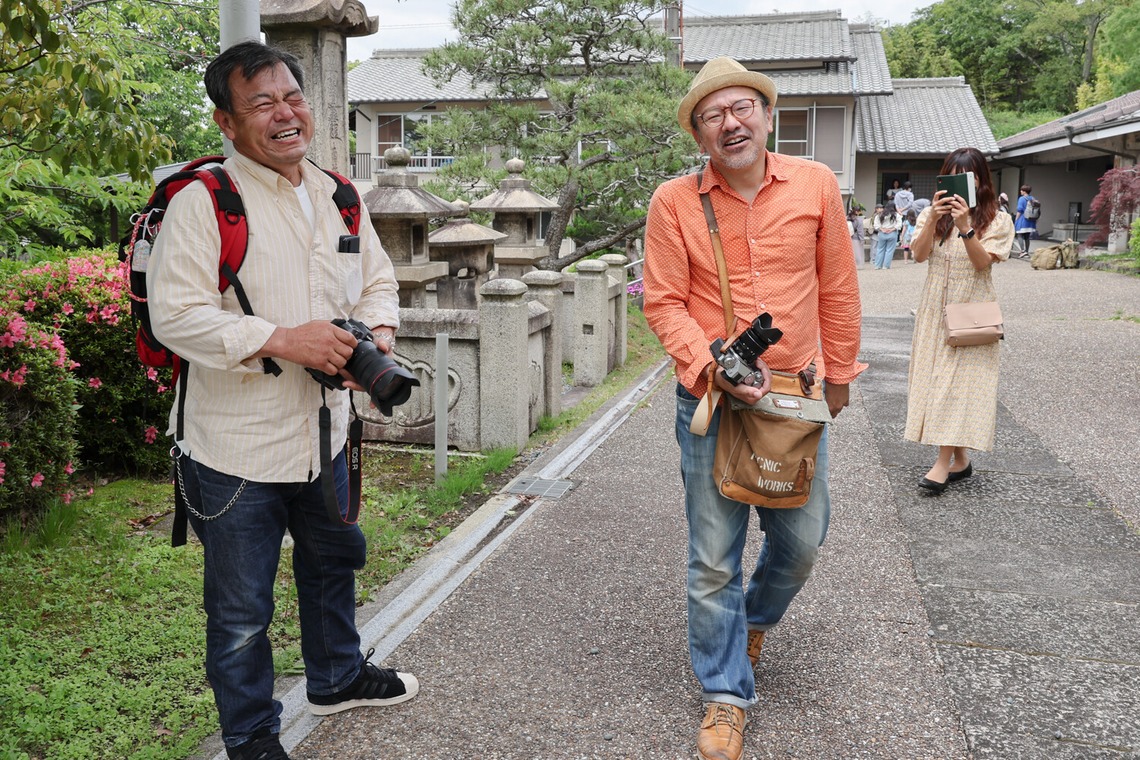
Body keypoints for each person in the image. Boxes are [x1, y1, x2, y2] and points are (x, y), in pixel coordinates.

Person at [147, 42, 417, 760]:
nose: (284, 112)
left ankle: (335, 675)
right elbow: (173, 316)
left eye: (291, 96)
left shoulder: (339, 193)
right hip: (234, 447)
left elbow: (376, 282)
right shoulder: (204, 203)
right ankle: (253, 740)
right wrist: (283, 340)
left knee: (334, 561)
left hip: (324, 433)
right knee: (240, 611)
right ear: (227, 123)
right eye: (261, 102)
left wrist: (378, 335)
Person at [642, 56, 865, 760]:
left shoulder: (816, 184)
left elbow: (837, 286)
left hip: (794, 397)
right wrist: (711, 363)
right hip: (710, 400)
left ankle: (751, 622)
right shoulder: (673, 202)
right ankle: (726, 692)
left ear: (767, 116)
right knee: (713, 557)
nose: (730, 122)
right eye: (713, 115)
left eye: (742, 108)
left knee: (801, 543)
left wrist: (840, 378)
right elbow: (664, 302)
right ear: (699, 133)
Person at [904, 147, 1013, 495]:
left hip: (972, 310)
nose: (960, 187)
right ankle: (961, 460)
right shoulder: (933, 216)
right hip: (935, 309)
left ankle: (942, 463)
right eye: (952, 176)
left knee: (956, 384)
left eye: (968, 177)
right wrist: (934, 219)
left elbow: (983, 264)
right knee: (937, 380)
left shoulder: (997, 220)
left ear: (980, 181)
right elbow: (919, 256)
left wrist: (967, 228)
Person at [872, 201, 902, 269]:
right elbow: (899, 224)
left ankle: (877, 265)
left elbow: (876, 224)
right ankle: (886, 266)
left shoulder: (880, 215)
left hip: (882, 233)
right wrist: (892, 229)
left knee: (880, 249)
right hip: (892, 233)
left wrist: (882, 229)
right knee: (889, 250)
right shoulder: (896, 215)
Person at [1014, 185, 1036, 257]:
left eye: (1022, 190)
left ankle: (1022, 251)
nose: (1020, 191)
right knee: (1027, 236)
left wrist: (1016, 220)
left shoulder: (1021, 199)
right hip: (1030, 221)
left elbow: (1019, 210)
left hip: (1023, 220)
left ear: (1024, 191)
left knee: (1019, 235)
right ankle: (1026, 251)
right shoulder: (1032, 198)